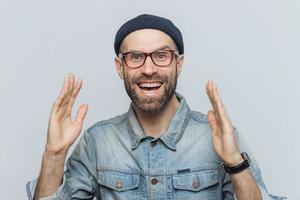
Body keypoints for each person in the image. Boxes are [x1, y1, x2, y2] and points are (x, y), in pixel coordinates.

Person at [26, 14, 284, 200]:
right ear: (120, 67)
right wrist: (54, 155)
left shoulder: (219, 137)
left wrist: (235, 163)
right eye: (136, 57)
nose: (149, 69)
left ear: (178, 63)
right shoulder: (97, 142)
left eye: (161, 56)